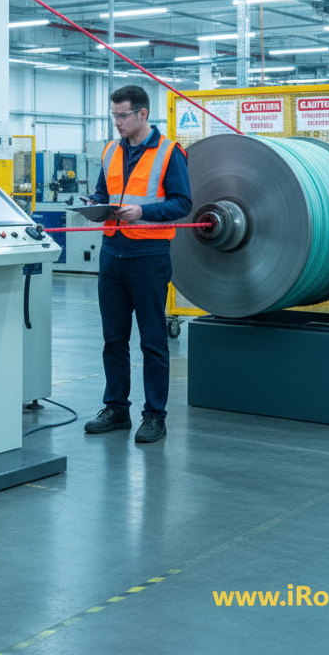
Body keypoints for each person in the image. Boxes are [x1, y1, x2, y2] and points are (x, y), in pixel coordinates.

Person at [84, 84, 192, 443]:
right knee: (113, 339)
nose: (116, 121)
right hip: (112, 254)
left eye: (122, 115)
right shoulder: (111, 150)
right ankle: (116, 408)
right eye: (113, 115)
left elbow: (182, 204)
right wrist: (96, 206)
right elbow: (104, 193)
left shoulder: (169, 153)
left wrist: (142, 211)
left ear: (142, 114)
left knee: (153, 341)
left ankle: (155, 415)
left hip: (148, 256)